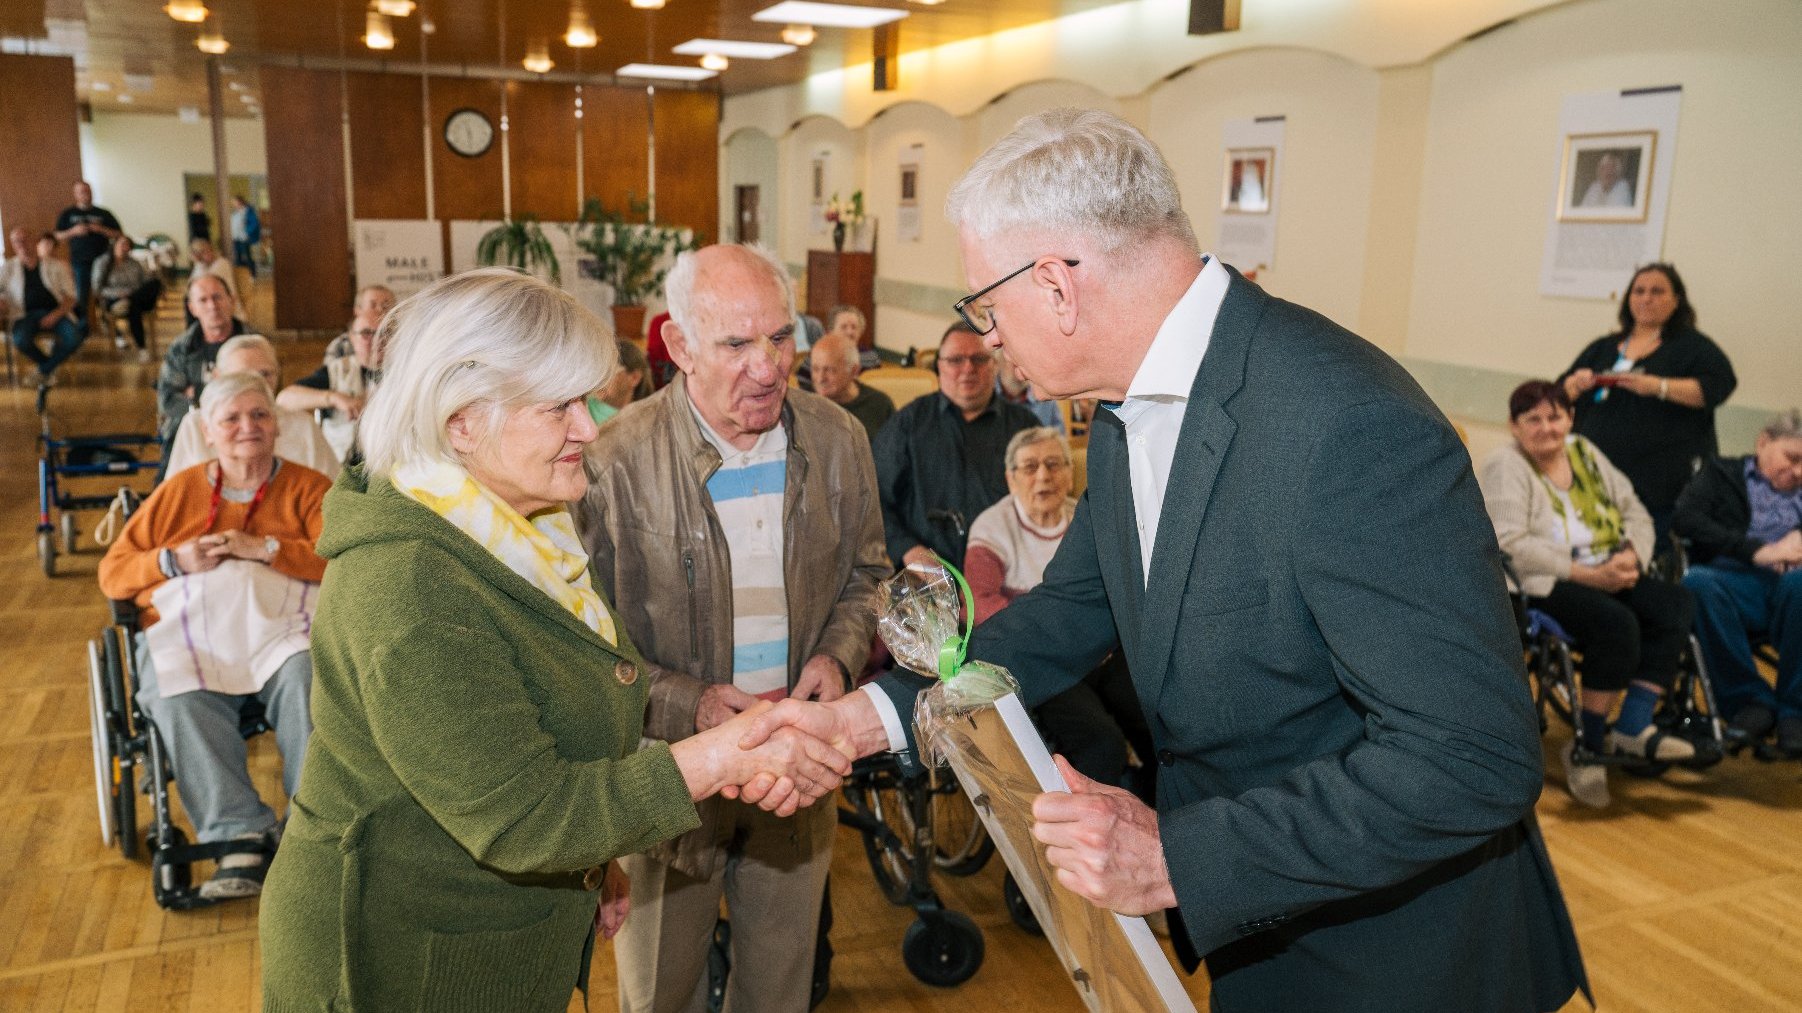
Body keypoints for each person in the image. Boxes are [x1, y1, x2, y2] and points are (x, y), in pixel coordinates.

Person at [743, 108, 1587, 1012]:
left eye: (987, 305)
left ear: (1059, 285)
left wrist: (1177, 856)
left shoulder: (1344, 425)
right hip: (1264, 929)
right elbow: (1067, 616)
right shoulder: (1123, 409)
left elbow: (1473, 756)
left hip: (1403, 955)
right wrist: (870, 721)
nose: (987, 335)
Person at [258, 268, 849, 1013]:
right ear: (461, 421)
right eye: (559, 405)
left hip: (487, 939)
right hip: (400, 960)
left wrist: (594, 861)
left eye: (587, 399)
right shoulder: (411, 584)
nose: (589, 427)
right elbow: (524, 814)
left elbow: (546, 711)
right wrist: (720, 755)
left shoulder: (520, 529)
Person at [576, 245, 889, 1013]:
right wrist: (693, 706)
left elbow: (869, 576)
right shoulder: (612, 461)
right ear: (679, 347)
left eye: (781, 338)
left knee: (780, 988)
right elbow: (584, 641)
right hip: (668, 773)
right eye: (737, 343)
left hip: (799, 762)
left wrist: (838, 657)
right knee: (660, 991)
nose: (769, 366)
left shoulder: (839, 438)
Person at [98, 372, 329, 901]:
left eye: (260, 415)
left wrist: (267, 549)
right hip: (193, 632)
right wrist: (173, 559)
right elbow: (114, 573)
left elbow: (341, 561)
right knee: (176, 695)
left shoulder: (309, 488)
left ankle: (311, 826)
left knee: (309, 679)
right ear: (207, 430)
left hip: (281, 629)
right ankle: (237, 833)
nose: (248, 427)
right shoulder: (180, 492)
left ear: (277, 425)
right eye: (232, 418)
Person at [1478, 380, 1697, 808]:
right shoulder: (1508, 465)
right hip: (1543, 581)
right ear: (1514, 425)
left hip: (1611, 567)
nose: (1547, 427)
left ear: (1570, 418)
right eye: (1533, 419)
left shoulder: (1585, 453)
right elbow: (1509, 542)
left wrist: (1633, 556)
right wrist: (1588, 574)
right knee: (1617, 624)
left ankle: (1633, 727)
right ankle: (1589, 743)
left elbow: (1634, 509)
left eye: (1555, 416)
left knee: (1676, 604)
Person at [966, 426, 1149, 793]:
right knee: (1101, 742)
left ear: (1070, 472)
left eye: (1053, 464)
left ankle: (1159, 811)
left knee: (1158, 724)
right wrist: (1069, 635)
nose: (1043, 476)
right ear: (1011, 479)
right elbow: (983, 606)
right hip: (1039, 658)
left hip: (1103, 654)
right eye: (1030, 467)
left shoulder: (1087, 520)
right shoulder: (991, 528)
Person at [1560, 263, 1736, 544]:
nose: (1646, 298)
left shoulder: (1692, 347)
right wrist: (1573, 385)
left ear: (1677, 300)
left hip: (1657, 486)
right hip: (1590, 479)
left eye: (1657, 291)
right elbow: (1557, 397)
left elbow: (1718, 387)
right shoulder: (1604, 346)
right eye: (1639, 291)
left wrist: (1658, 386)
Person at [1674, 409, 1802, 756]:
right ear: (1764, 441)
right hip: (1734, 580)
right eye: (1793, 458)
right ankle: (1749, 702)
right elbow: (1686, 519)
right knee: (1697, 583)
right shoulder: (1720, 473)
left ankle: (1796, 712)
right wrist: (1758, 551)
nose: (1798, 471)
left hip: (1794, 584)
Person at [873, 321, 1039, 569]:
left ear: (994, 366)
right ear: (939, 367)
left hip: (1008, 575)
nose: (968, 368)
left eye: (979, 359)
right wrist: (907, 550)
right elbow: (874, 501)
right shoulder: (908, 423)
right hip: (925, 581)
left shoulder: (1024, 427)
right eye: (955, 360)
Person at [168, 335, 339, 476]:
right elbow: (175, 498)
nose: (258, 385)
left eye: (265, 374)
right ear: (218, 377)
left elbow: (332, 495)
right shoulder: (195, 425)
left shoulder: (302, 426)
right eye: (243, 376)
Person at [277, 303, 385, 461]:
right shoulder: (337, 370)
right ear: (351, 338)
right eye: (366, 333)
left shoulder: (405, 372)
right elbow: (284, 400)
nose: (376, 340)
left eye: (384, 333)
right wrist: (334, 398)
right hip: (342, 464)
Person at [157, 273, 249, 446]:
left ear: (232, 300)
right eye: (203, 300)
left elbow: (268, 395)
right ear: (192, 308)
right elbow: (168, 402)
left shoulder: (253, 344)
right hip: (192, 436)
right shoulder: (181, 349)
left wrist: (196, 393)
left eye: (217, 297)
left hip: (244, 434)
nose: (212, 306)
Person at [1, 227, 82, 385]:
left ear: (34, 241)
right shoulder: (7, 269)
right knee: (20, 340)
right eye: (17, 241)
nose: (22, 244)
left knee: (74, 338)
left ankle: (43, 371)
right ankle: (48, 367)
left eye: (25, 239)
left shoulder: (56, 266)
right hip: (23, 315)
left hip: (55, 313)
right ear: (13, 244)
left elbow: (72, 297)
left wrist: (55, 315)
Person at [809, 332, 893, 441]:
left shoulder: (880, 405)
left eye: (829, 370)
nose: (820, 379)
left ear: (854, 371)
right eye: (815, 369)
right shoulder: (803, 401)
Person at [54, 179, 122, 312]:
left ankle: (109, 324)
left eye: (88, 191)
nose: (86, 194)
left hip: (103, 260)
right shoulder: (68, 214)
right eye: (82, 191)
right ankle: (82, 328)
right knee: (82, 295)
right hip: (80, 261)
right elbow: (57, 236)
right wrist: (73, 231)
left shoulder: (103, 213)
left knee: (105, 294)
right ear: (75, 194)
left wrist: (101, 229)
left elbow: (119, 234)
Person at [92, 233, 163, 355]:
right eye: (122, 244)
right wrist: (118, 293)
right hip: (115, 299)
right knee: (134, 307)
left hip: (134, 295)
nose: (125, 248)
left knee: (155, 283)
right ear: (114, 245)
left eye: (128, 246)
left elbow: (144, 281)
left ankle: (131, 300)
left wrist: (151, 276)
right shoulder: (102, 262)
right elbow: (97, 288)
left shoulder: (134, 263)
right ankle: (142, 347)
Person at [995, 344, 1065, 432]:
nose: (1020, 366)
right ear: (1000, 362)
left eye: (1025, 360)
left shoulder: (1046, 399)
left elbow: (1059, 439)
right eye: (1014, 359)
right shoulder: (985, 396)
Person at [585, 337, 653, 426]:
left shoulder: (645, 419)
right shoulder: (583, 407)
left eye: (608, 372)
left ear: (634, 378)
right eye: (597, 370)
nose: (599, 379)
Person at [321, 285, 396, 364]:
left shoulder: (403, 340)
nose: (380, 310)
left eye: (385, 305)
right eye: (373, 305)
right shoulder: (341, 346)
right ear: (357, 310)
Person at [188, 237, 237, 302]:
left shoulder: (222, 263)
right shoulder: (203, 266)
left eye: (206, 251)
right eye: (200, 253)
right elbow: (192, 286)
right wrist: (198, 264)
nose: (207, 254)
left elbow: (205, 282)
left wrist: (199, 263)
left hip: (228, 305)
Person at [229, 196, 261, 280]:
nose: (233, 204)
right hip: (236, 238)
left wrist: (247, 232)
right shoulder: (235, 212)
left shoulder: (248, 211)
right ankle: (241, 276)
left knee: (247, 256)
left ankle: (253, 275)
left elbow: (254, 223)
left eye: (234, 202)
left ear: (240, 202)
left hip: (244, 238)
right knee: (238, 258)